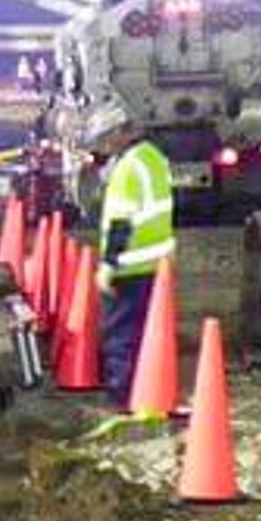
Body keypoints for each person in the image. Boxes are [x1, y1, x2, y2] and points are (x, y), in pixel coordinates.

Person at [88, 100, 174, 408]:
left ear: (121, 133)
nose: (105, 146)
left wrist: (108, 265)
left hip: (128, 265)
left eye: (106, 138)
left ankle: (122, 397)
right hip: (156, 264)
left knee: (120, 335)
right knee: (142, 333)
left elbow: (121, 222)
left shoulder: (126, 169)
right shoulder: (154, 158)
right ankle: (144, 389)